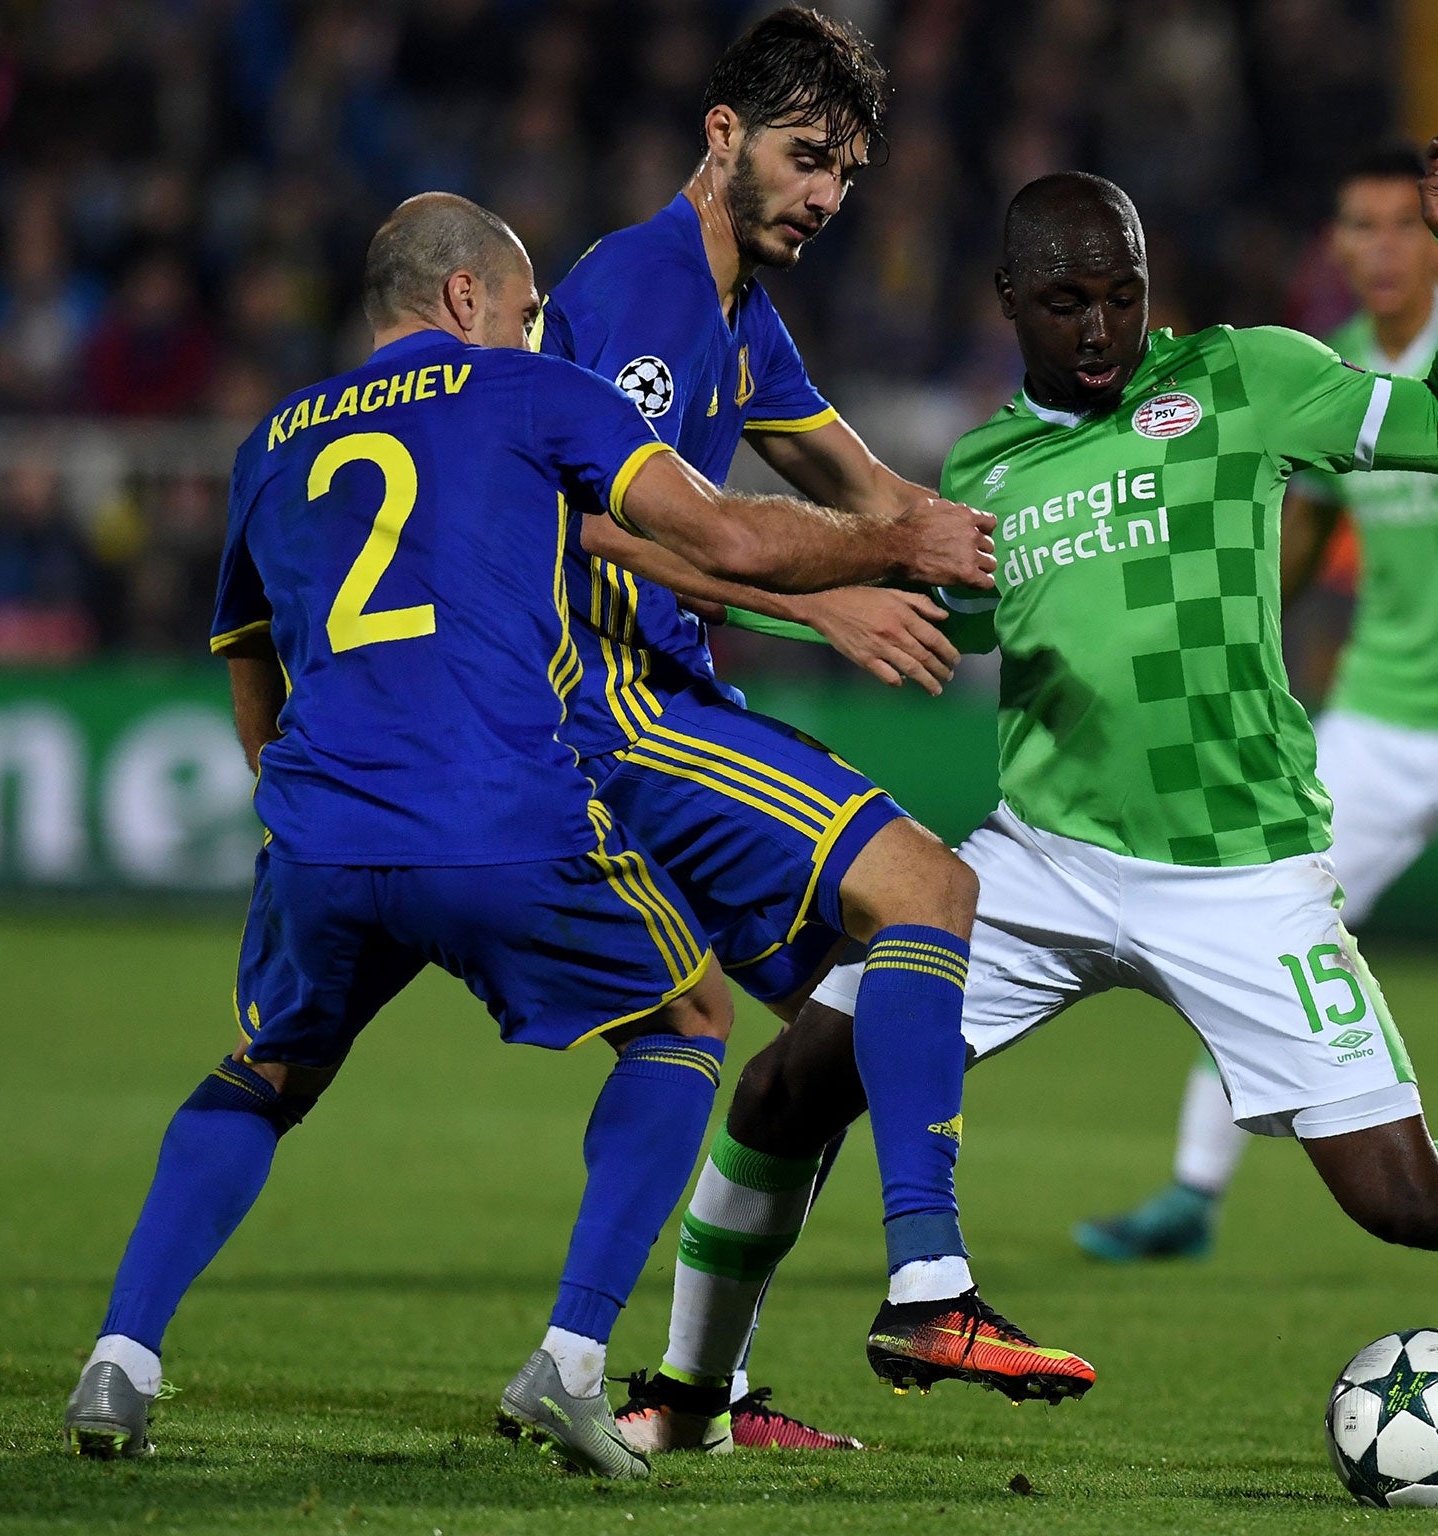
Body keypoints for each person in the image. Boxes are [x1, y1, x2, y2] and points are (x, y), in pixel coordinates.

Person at [619, 135, 1438, 1456]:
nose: (1100, 327)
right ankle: (689, 1398)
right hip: (1043, 862)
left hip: (1242, 871)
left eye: (1122, 294)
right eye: (1066, 302)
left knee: (1399, 1199)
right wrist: (704, 581)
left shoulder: (1246, 378)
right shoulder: (984, 473)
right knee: (787, 1088)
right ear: (1007, 300)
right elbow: (897, 610)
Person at [60, 193, 995, 1478]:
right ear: (462, 302)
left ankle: (121, 1356)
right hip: (497, 809)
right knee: (685, 1024)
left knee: (268, 1071)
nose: (533, 324)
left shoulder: (269, 442)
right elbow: (716, 535)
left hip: (323, 832)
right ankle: (569, 1361)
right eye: (520, 304)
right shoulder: (530, 392)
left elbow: (251, 679)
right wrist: (887, 544)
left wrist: (311, 813)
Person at [535, 7, 1085, 1449]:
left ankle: (688, 1401)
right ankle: (931, 1285)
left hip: (669, 695)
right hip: (608, 702)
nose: (827, 196)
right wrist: (831, 607)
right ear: (720, 138)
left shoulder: (743, 319)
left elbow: (880, 505)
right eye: (804, 157)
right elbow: (596, 524)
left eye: (844, 170)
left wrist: (1062, 515)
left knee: (823, 1058)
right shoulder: (646, 287)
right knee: (931, 888)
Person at [1078, 142, 1438, 1264]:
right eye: (1357, 226)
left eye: (1401, 225)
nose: (1378, 248)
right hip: (1379, 718)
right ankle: (1191, 1195)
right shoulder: (1335, 364)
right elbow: (1306, 531)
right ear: (1332, 245)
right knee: (1259, 929)